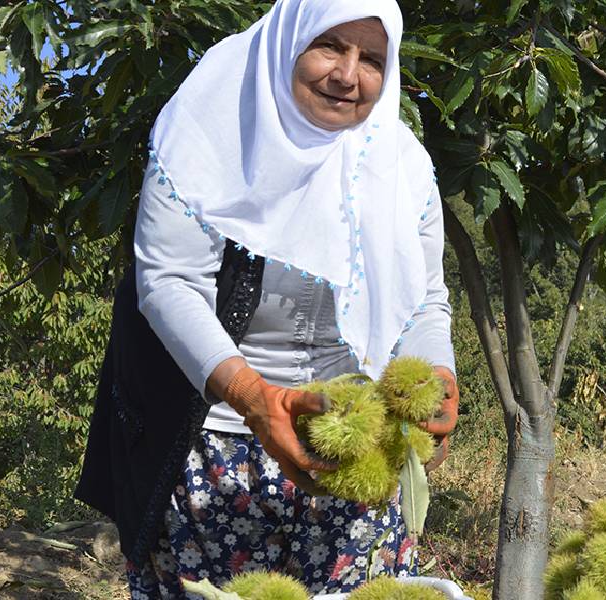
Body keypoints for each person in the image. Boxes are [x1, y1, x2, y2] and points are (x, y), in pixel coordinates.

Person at [74, 1, 459, 597]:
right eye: (329, 45)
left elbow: (426, 299)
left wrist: (435, 370)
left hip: (351, 447)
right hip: (213, 452)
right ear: (288, 41)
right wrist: (257, 399)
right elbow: (169, 281)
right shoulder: (209, 134)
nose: (348, 75)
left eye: (372, 60)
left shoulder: (399, 164)